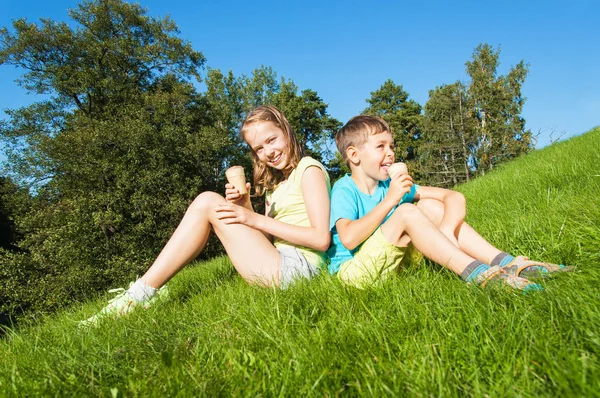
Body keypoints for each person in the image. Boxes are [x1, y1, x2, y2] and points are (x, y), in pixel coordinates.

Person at [80, 105, 331, 326]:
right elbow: (266, 240)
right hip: (280, 262)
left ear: (286, 131)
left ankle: (139, 295)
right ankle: (142, 292)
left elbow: (321, 239)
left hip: (301, 270)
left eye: (272, 139)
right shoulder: (276, 185)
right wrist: (244, 204)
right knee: (208, 202)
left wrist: (253, 219)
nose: (269, 151)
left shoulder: (309, 169)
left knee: (207, 201)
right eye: (259, 148)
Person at [327, 115, 571, 290]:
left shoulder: (389, 186)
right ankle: (478, 274)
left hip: (395, 268)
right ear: (354, 155)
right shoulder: (345, 189)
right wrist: (391, 200)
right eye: (381, 146)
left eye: (391, 146)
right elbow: (349, 238)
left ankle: (507, 262)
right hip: (355, 275)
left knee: (429, 206)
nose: (390, 153)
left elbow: (453, 197)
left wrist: (445, 230)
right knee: (407, 211)